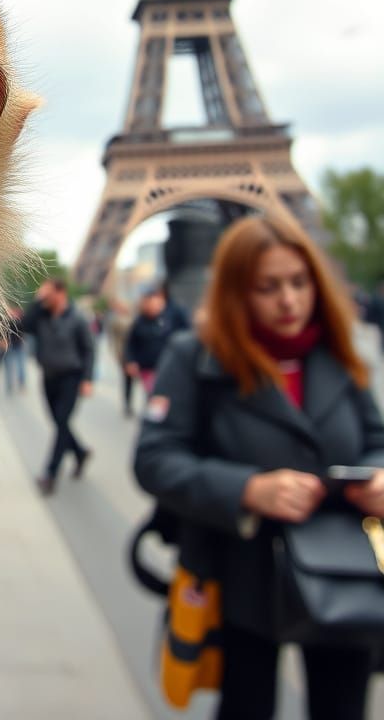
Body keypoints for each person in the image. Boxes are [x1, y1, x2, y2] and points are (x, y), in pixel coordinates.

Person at [134, 214, 384, 720]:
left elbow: (376, 440)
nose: (289, 300)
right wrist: (247, 490)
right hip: (242, 573)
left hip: (343, 569)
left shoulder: (338, 353)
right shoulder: (194, 358)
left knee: (344, 708)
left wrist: (379, 474)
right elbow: (154, 459)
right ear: (235, 292)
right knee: (245, 706)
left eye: (299, 282)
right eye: (268, 287)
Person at [21, 277, 95, 495]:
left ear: (61, 293)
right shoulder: (42, 315)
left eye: (48, 293)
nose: (45, 297)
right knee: (58, 422)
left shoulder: (78, 318)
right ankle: (80, 452)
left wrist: (87, 379)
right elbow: (21, 326)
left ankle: (50, 473)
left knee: (62, 422)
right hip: (48, 377)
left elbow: (89, 350)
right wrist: (37, 301)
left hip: (70, 377)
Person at [125, 286, 175, 398]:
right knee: (153, 394)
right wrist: (131, 361)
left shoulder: (167, 319)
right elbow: (131, 343)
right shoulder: (139, 322)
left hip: (164, 365)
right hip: (147, 367)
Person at [106, 299, 135, 416]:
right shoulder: (117, 321)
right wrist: (116, 353)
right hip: (123, 353)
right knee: (128, 380)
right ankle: (127, 403)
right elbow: (113, 338)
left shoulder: (135, 320)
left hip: (135, 354)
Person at [1, 303, 27, 394]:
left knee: (21, 366)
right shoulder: (5, 320)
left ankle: (21, 384)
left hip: (19, 345)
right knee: (8, 367)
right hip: (9, 346)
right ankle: (9, 386)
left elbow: (24, 329)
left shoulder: (21, 319)